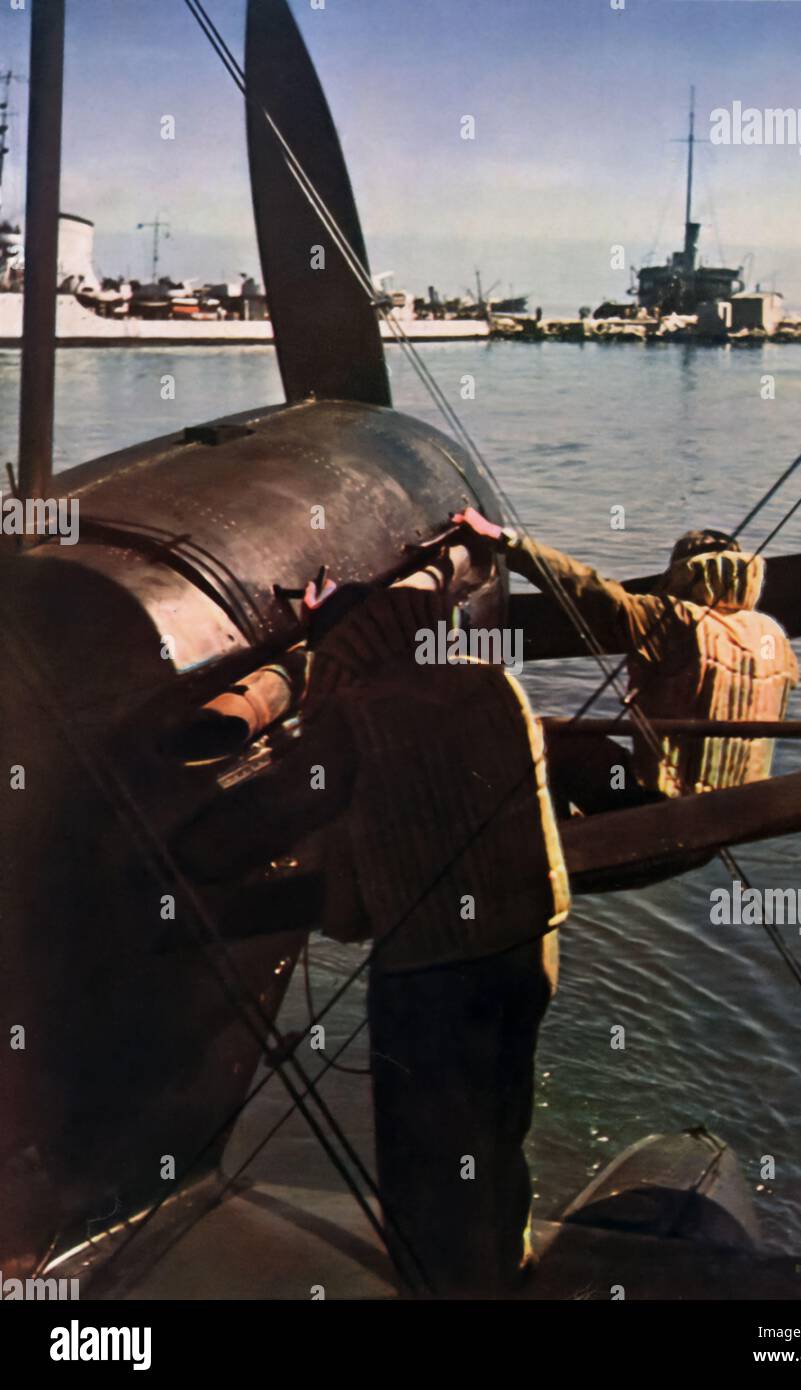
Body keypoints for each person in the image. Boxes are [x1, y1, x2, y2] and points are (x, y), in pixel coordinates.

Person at [175, 540, 568, 1299]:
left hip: (434, 970)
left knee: (427, 1164)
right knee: (496, 1132)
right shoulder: (495, 687)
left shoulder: (358, 716)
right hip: (529, 946)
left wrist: (187, 851)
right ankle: (503, 1269)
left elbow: (275, 816)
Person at [453, 512, 799, 808]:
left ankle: (550, 841)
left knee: (547, 738)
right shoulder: (773, 634)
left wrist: (506, 541)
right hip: (744, 799)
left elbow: (592, 592)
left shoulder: (673, 620)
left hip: (665, 801)